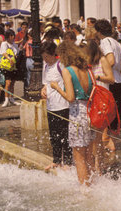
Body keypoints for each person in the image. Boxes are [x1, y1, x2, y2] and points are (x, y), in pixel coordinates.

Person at [53, 41, 96, 186]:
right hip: (90, 112)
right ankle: (93, 185)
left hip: (77, 114)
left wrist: (57, 87)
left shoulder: (67, 71)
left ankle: (84, 191)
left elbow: (70, 97)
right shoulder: (88, 70)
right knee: (90, 155)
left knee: (79, 157)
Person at [40, 41, 73, 171]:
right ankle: (56, 160)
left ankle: (68, 162)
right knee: (54, 135)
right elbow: (45, 84)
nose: (45, 59)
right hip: (51, 106)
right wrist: (43, 90)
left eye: (47, 57)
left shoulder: (61, 65)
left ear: (54, 54)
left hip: (63, 105)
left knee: (65, 135)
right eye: (43, 57)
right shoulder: (45, 66)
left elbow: (68, 84)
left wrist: (57, 88)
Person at [85, 39, 115, 169]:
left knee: (98, 135)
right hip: (92, 100)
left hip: (102, 99)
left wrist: (97, 78)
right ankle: (95, 164)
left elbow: (111, 79)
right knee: (92, 135)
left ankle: (98, 165)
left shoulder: (102, 60)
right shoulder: (88, 64)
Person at [94, 19, 121, 131]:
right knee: (119, 112)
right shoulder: (116, 42)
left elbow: (111, 60)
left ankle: (110, 140)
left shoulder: (105, 41)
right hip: (119, 78)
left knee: (111, 113)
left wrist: (101, 70)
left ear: (99, 31)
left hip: (111, 80)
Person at [0, 29, 20, 107]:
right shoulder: (4, 44)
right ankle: (6, 99)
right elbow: (3, 53)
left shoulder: (15, 45)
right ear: (7, 37)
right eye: (11, 36)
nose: (12, 37)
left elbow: (17, 53)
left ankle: (12, 98)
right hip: (7, 66)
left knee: (12, 83)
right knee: (8, 83)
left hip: (13, 66)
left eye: (13, 35)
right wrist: (9, 58)